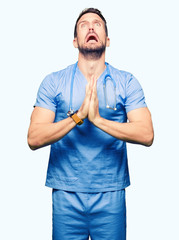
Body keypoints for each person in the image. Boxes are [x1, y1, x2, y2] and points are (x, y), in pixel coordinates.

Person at [27, 7, 154, 240]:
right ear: (75, 41)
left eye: (97, 24)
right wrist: (78, 117)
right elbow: (34, 138)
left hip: (110, 194)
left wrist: (97, 120)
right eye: (84, 25)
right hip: (66, 194)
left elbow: (146, 134)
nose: (91, 27)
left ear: (107, 39)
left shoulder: (127, 82)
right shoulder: (54, 82)